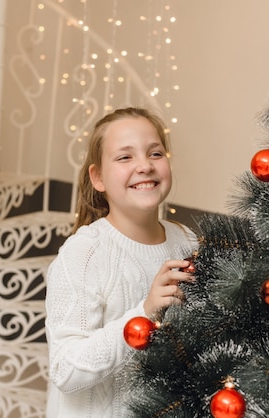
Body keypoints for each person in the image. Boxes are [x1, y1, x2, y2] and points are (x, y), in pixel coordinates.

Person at [45, 107, 198, 417]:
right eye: (125, 157)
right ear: (98, 177)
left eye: (155, 153)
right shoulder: (84, 254)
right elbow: (65, 371)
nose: (144, 166)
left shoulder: (186, 242)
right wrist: (144, 314)